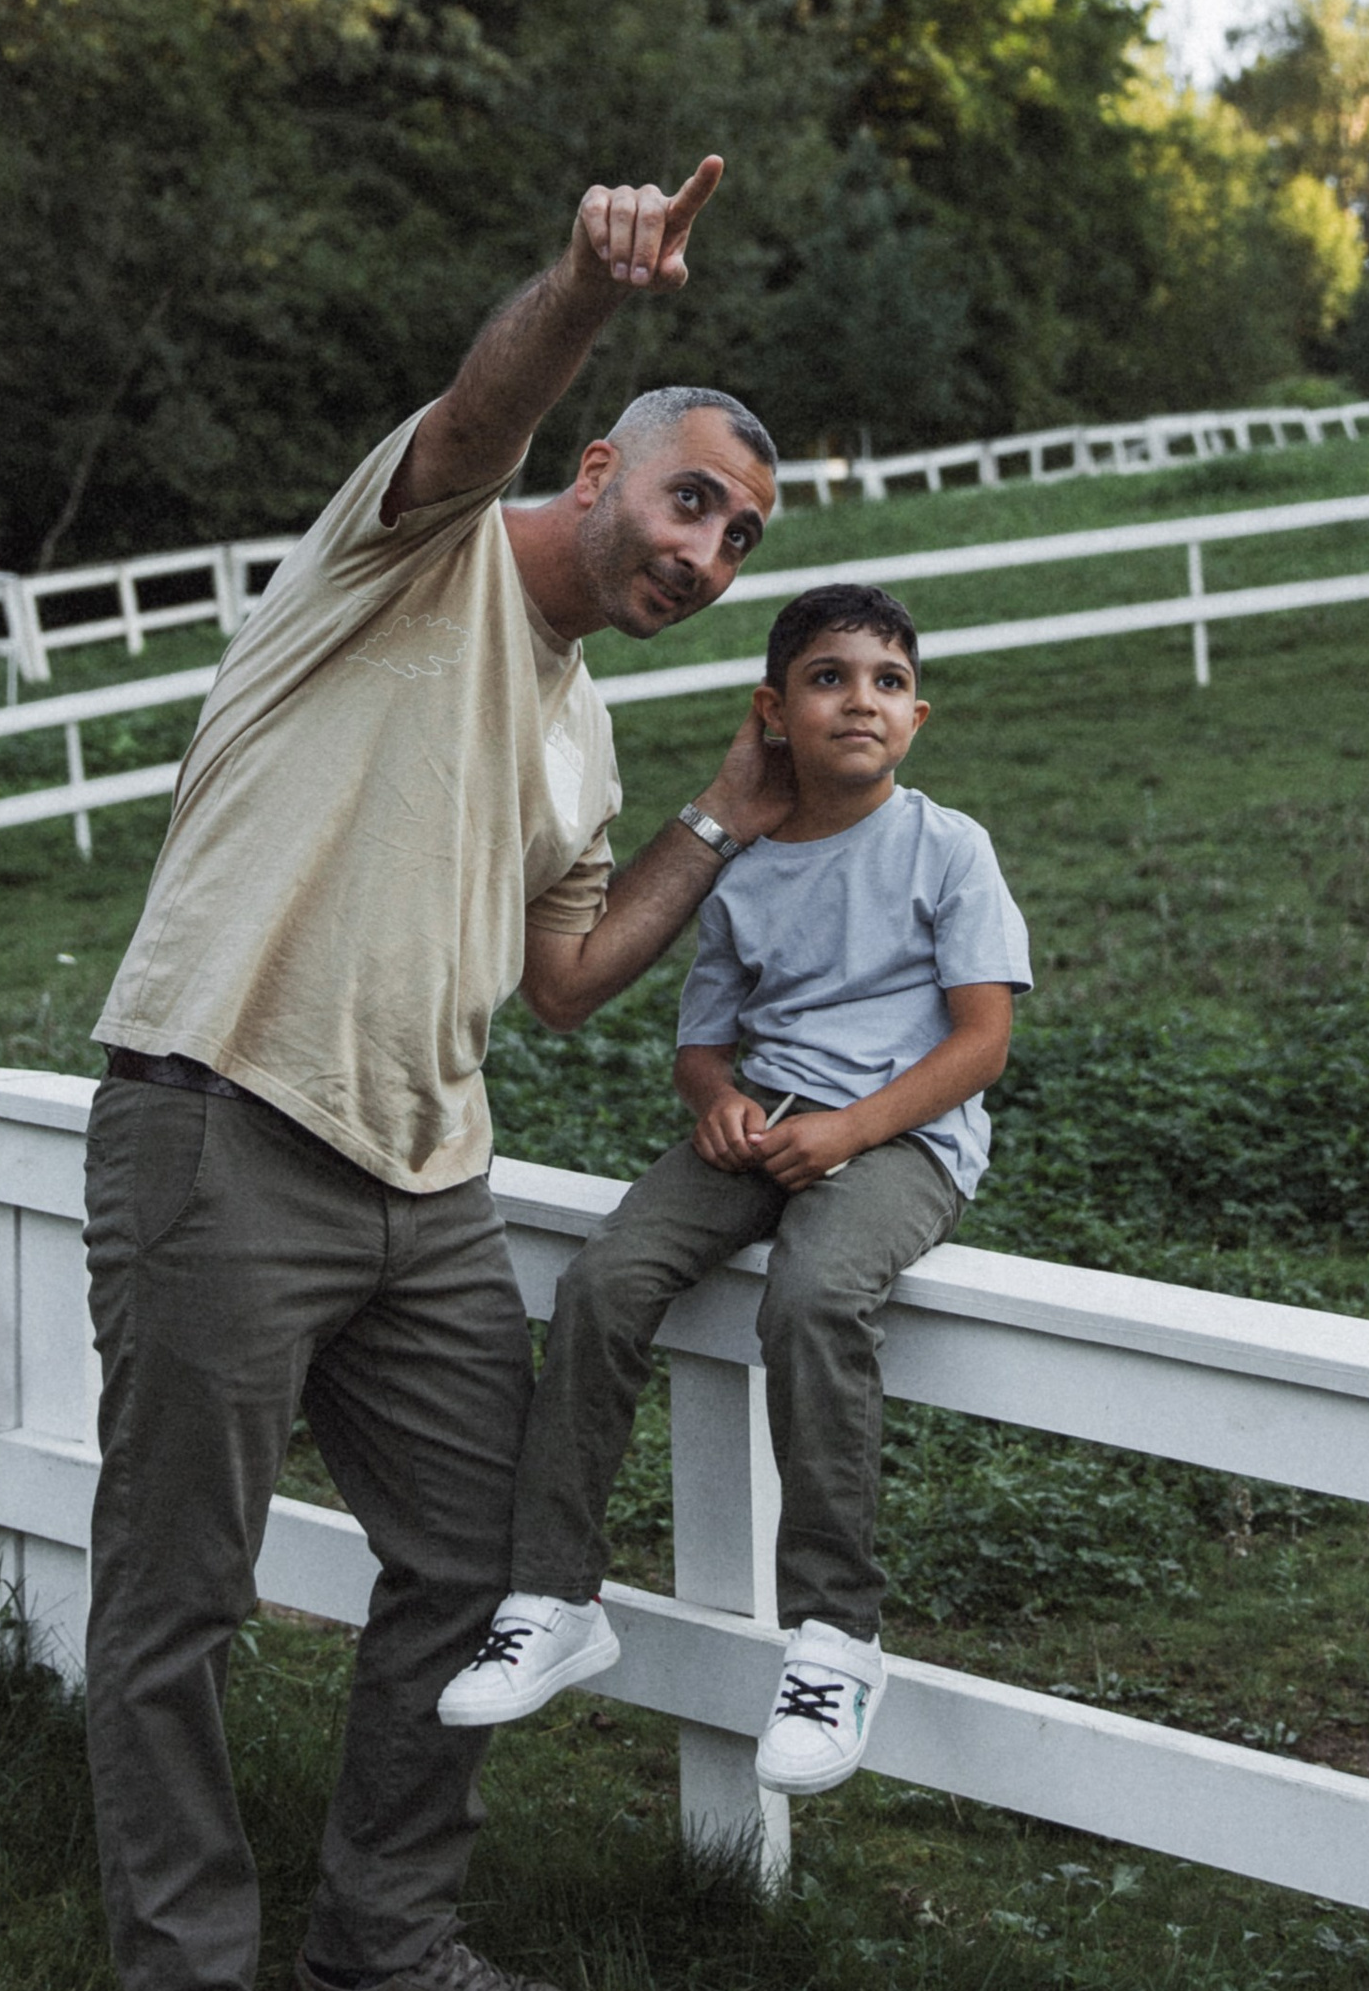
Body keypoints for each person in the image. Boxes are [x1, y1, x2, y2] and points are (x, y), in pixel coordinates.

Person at [82, 157, 793, 1991]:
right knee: (180, 1601)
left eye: (738, 538)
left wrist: (715, 822)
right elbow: (473, 417)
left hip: (426, 1179)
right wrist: (582, 279)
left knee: (487, 1564)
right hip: (220, 1117)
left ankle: (381, 1950)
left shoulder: (575, 737)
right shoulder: (414, 555)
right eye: (687, 501)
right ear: (598, 467)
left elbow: (563, 978)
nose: (706, 552)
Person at [438, 580, 1030, 1796]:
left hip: (901, 1142)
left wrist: (853, 1130)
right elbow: (703, 1041)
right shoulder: (747, 869)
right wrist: (716, 1102)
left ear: (919, 715)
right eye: (827, 678)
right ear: (772, 710)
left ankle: (834, 1637)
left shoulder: (946, 846)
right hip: (763, 1133)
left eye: (886, 682)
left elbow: (981, 1042)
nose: (858, 701)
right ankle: (553, 1594)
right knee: (602, 1283)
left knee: (811, 1300)